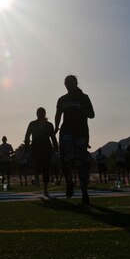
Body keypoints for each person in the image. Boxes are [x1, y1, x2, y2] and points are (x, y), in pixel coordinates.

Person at [55, 75, 95, 204]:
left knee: (81, 163)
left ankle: (84, 192)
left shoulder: (84, 98)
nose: (68, 85)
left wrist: (81, 108)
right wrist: (56, 128)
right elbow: (58, 114)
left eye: (70, 83)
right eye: (66, 83)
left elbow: (92, 114)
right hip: (66, 132)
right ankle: (69, 183)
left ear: (76, 83)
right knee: (66, 161)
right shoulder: (62, 99)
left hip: (80, 133)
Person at [24, 107, 58, 197]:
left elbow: (53, 138)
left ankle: (45, 189)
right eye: (39, 113)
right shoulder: (32, 124)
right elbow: (27, 136)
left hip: (46, 148)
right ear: (37, 114)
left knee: (46, 168)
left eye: (41, 113)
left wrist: (56, 148)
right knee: (37, 164)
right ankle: (37, 178)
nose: (40, 115)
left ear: (44, 114)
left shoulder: (49, 125)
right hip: (36, 148)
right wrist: (26, 147)